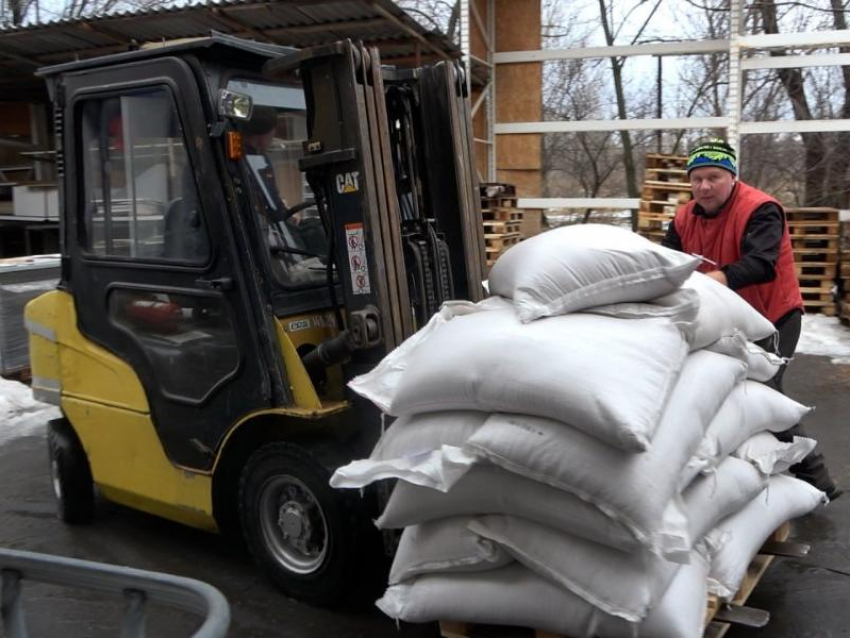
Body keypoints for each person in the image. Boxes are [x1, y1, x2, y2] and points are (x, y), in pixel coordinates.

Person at [663, 138, 842, 501]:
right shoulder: (684, 217)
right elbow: (669, 264)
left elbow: (761, 263)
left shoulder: (761, 209)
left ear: (732, 177)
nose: (704, 187)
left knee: (765, 394)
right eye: (696, 179)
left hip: (772, 316)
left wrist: (705, 282)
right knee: (721, 390)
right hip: (724, 317)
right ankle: (745, 466)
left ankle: (817, 478)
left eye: (713, 177)